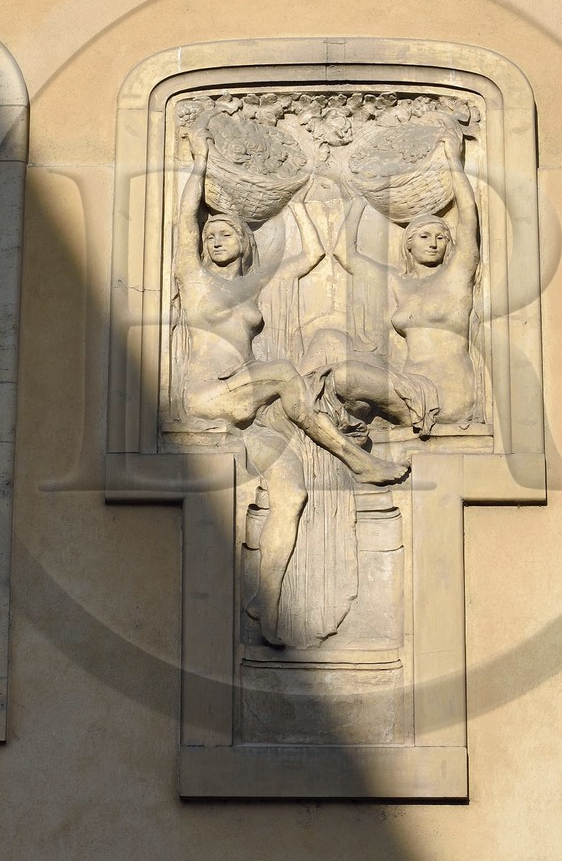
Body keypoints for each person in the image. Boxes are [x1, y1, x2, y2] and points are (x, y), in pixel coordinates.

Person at [172, 117, 406, 646]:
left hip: (245, 406)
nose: (216, 239)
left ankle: (269, 607)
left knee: (293, 494)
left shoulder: (251, 288)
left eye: (226, 233)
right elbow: (186, 220)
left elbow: (305, 259)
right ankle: (358, 459)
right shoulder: (195, 280)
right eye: (211, 235)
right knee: (281, 372)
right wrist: (200, 161)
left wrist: (304, 204)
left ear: (244, 243)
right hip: (207, 395)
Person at [319, 136, 482, 432]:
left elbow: (468, 215)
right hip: (409, 385)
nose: (433, 243)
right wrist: (357, 201)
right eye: (424, 236)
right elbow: (345, 253)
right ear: (408, 244)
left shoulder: (457, 275)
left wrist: (453, 161)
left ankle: (336, 426)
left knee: (345, 377)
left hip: (446, 394)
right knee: (328, 342)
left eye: (441, 237)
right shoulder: (399, 284)